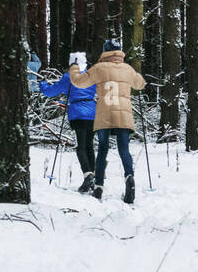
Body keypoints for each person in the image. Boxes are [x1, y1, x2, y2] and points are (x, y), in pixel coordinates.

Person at [68, 39, 145, 203]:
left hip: (105, 115)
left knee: (102, 150)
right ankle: (129, 177)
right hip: (123, 115)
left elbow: (78, 82)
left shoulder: (99, 68)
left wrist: (74, 67)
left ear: (106, 52)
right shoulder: (127, 69)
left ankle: (98, 187)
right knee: (124, 149)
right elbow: (140, 84)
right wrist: (136, 75)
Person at [29, 51, 97, 193]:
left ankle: (88, 175)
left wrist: (42, 84)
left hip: (77, 114)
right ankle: (94, 176)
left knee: (80, 147)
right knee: (89, 146)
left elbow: (51, 91)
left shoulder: (68, 77)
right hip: (92, 113)